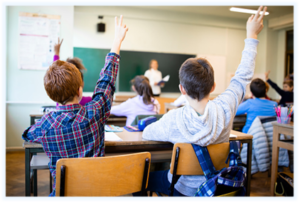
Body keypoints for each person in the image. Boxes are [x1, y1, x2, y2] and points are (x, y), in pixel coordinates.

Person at [140, 6, 267, 197]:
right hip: (216, 187)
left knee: (141, 178)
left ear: (182, 90)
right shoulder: (226, 106)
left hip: (183, 190)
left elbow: (147, 133)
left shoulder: (173, 119)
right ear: (213, 86)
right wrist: (251, 35)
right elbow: (243, 76)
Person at [22, 15, 128, 197]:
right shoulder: (95, 112)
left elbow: (27, 134)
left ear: (51, 94)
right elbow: (107, 80)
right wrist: (117, 41)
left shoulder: (46, 124)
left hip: (63, 195)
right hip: (96, 193)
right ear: (80, 91)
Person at [53, 38, 92, 107]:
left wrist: (56, 53)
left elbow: (55, 74)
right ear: (81, 85)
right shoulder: (89, 101)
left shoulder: (59, 101)